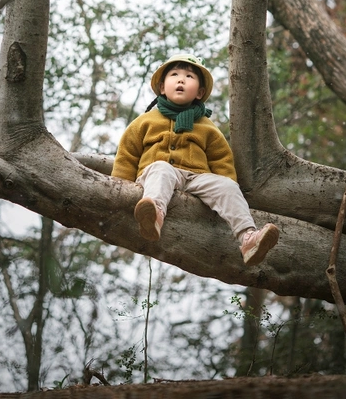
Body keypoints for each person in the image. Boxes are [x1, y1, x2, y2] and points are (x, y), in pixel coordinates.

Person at [112, 53, 279, 266]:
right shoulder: (144, 121)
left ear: (200, 92)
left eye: (189, 76)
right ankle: (154, 215)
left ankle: (248, 238)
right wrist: (119, 186)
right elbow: (127, 155)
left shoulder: (206, 126)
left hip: (196, 178)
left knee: (227, 186)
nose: (181, 79)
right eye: (174, 75)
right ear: (162, 87)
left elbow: (221, 159)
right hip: (157, 173)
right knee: (161, 169)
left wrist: (226, 187)